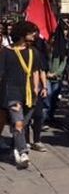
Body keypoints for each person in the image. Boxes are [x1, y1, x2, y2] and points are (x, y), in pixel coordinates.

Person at [0, 21, 45, 168]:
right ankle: (23, 151)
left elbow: (35, 71)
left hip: (29, 94)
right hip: (12, 93)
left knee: (21, 125)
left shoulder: (34, 52)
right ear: (22, 33)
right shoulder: (6, 52)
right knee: (18, 123)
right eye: (32, 32)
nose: (35, 34)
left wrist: (37, 88)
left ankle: (15, 148)